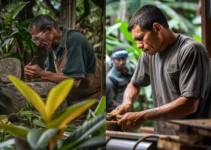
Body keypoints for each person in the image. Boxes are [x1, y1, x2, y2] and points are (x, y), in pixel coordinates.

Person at [108, 5, 211, 135]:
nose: (139, 46)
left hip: (192, 141)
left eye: (140, 38)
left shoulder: (191, 50)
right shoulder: (149, 54)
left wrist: (143, 116)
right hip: (162, 138)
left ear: (157, 28)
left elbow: (189, 104)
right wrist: (126, 103)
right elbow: (134, 84)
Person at [24, 14, 101, 105]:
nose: (37, 43)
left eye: (38, 38)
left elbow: (74, 81)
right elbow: (51, 77)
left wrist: (41, 74)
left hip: (94, 99)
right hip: (74, 101)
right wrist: (33, 75)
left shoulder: (75, 40)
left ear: (49, 30)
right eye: (34, 40)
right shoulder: (51, 49)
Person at [106, 47, 134, 112]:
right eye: (118, 60)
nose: (121, 62)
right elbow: (110, 101)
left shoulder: (131, 70)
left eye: (123, 59)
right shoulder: (111, 77)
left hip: (130, 105)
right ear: (113, 60)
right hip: (119, 109)